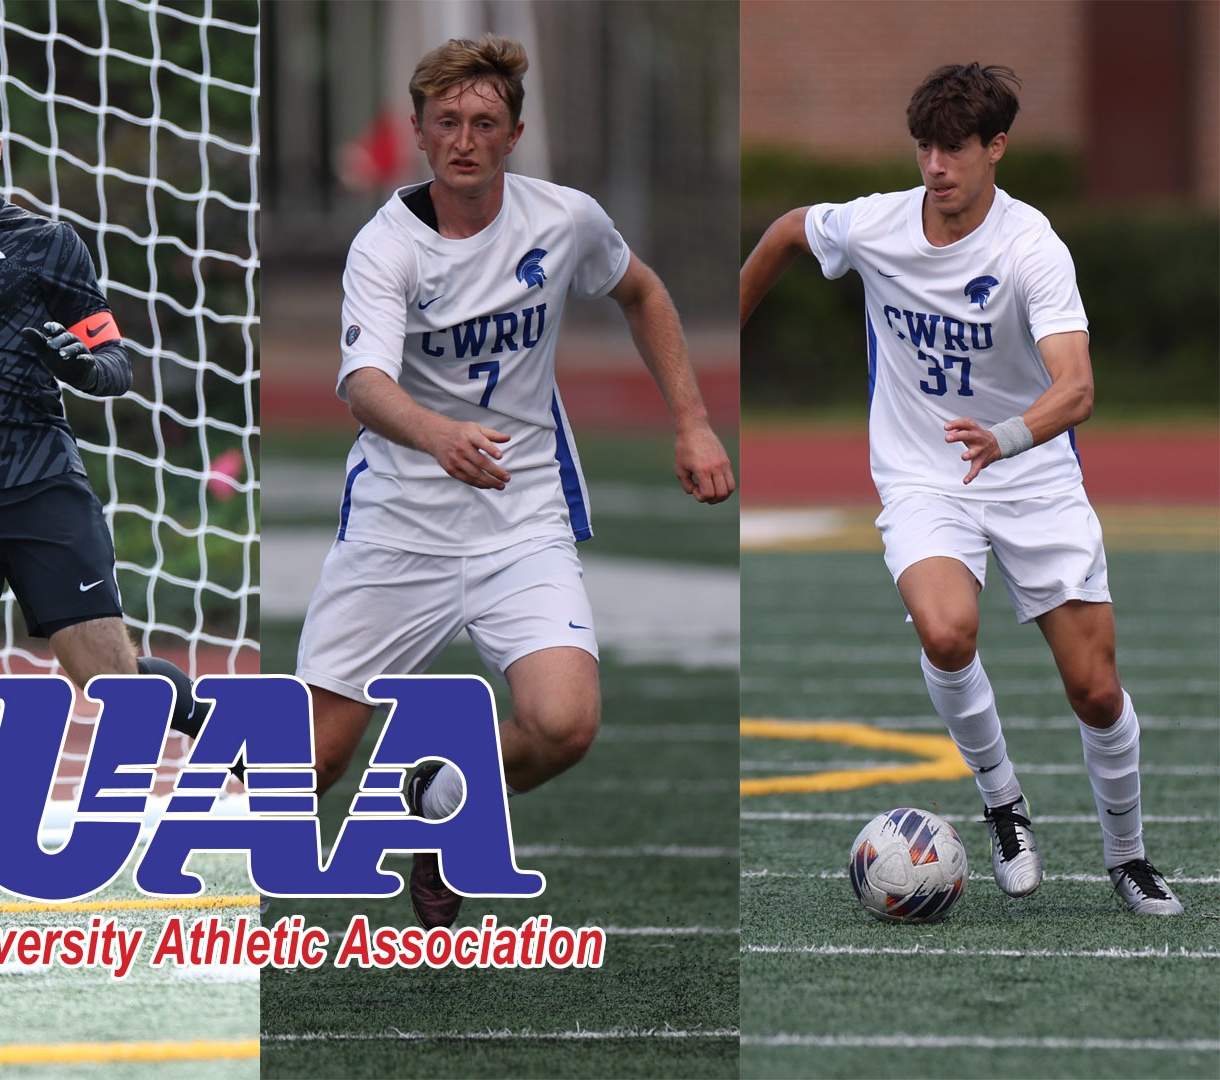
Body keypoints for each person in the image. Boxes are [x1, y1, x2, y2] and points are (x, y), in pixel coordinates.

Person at [296, 36, 734, 928]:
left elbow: (642, 292)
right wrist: (438, 435)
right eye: (447, 121)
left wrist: (691, 421)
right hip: (399, 525)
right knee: (313, 762)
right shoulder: (386, 248)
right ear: (419, 132)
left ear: (515, 135)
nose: (465, 138)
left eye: (484, 122)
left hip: (520, 519)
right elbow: (363, 384)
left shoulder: (563, 219)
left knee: (564, 725)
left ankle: (442, 803)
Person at [738, 63, 1179, 915]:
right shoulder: (876, 225)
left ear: (995, 149)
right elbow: (790, 231)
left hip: (1032, 474)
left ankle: (1126, 856)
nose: (935, 165)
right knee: (946, 632)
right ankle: (1003, 803)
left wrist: (1006, 437)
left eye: (954, 149)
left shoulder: (1031, 247)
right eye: (925, 147)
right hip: (923, 475)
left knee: (1093, 688)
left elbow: (1076, 388)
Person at [0, 66, 203, 892]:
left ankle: (208, 721)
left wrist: (81, 367)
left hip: (36, 490)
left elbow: (116, 364)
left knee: (109, 686)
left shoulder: (47, 244)